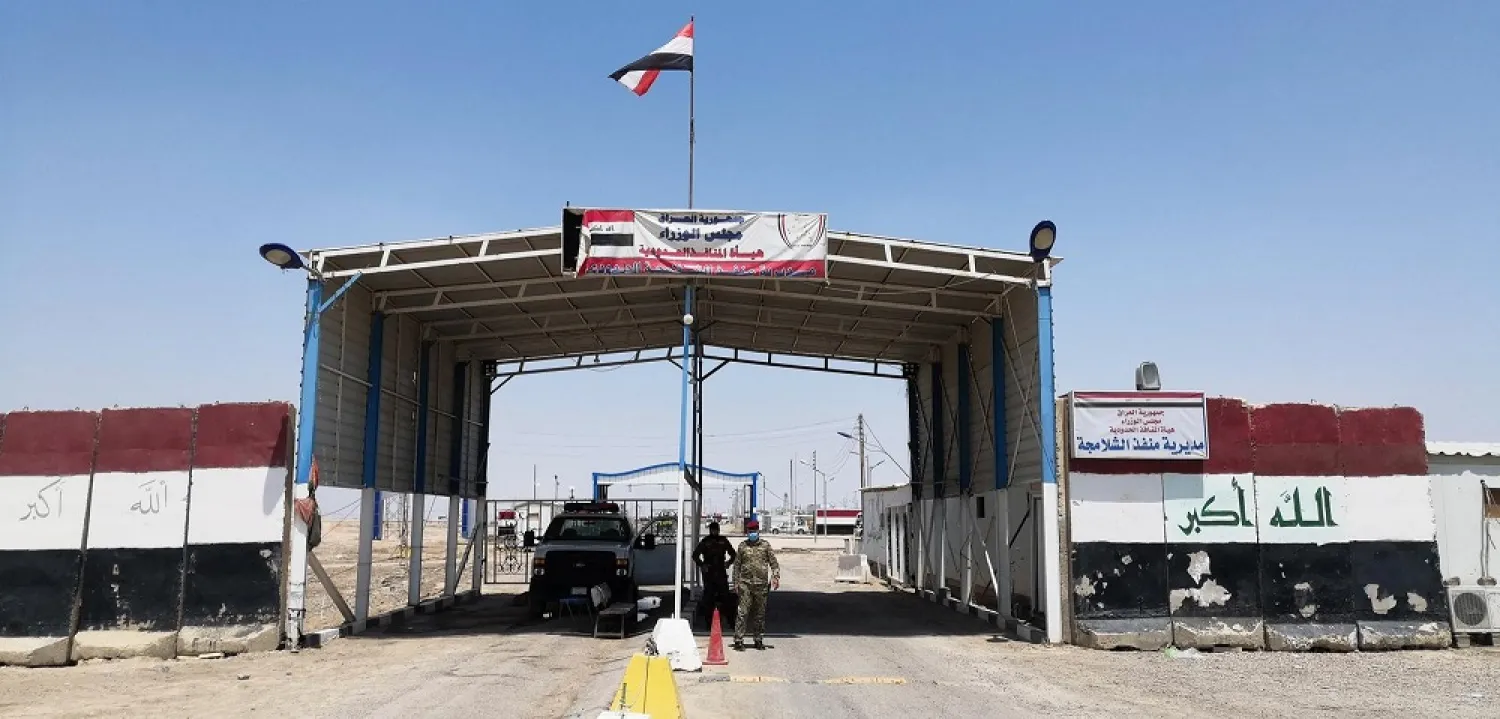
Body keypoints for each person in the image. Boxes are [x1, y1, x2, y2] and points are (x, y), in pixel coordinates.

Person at [731, 519, 779, 651]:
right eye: (750, 531)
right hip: (745, 585)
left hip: (761, 585)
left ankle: (758, 639)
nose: (752, 533)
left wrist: (775, 577)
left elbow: (774, 563)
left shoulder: (765, 546)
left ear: (758, 531)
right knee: (743, 612)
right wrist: (735, 582)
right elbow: (737, 566)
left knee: (759, 614)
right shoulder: (742, 546)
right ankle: (738, 640)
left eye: (754, 531)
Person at [692, 521, 736, 629]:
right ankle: (708, 624)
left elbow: (733, 554)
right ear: (710, 530)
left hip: (721, 572)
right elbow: (695, 555)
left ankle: (731, 622)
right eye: (713, 530)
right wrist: (702, 565)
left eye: (716, 530)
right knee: (708, 599)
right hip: (709, 574)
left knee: (726, 598)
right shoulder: (705, 542)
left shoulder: (723, 541)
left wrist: (729, 563)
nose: (714, 532)